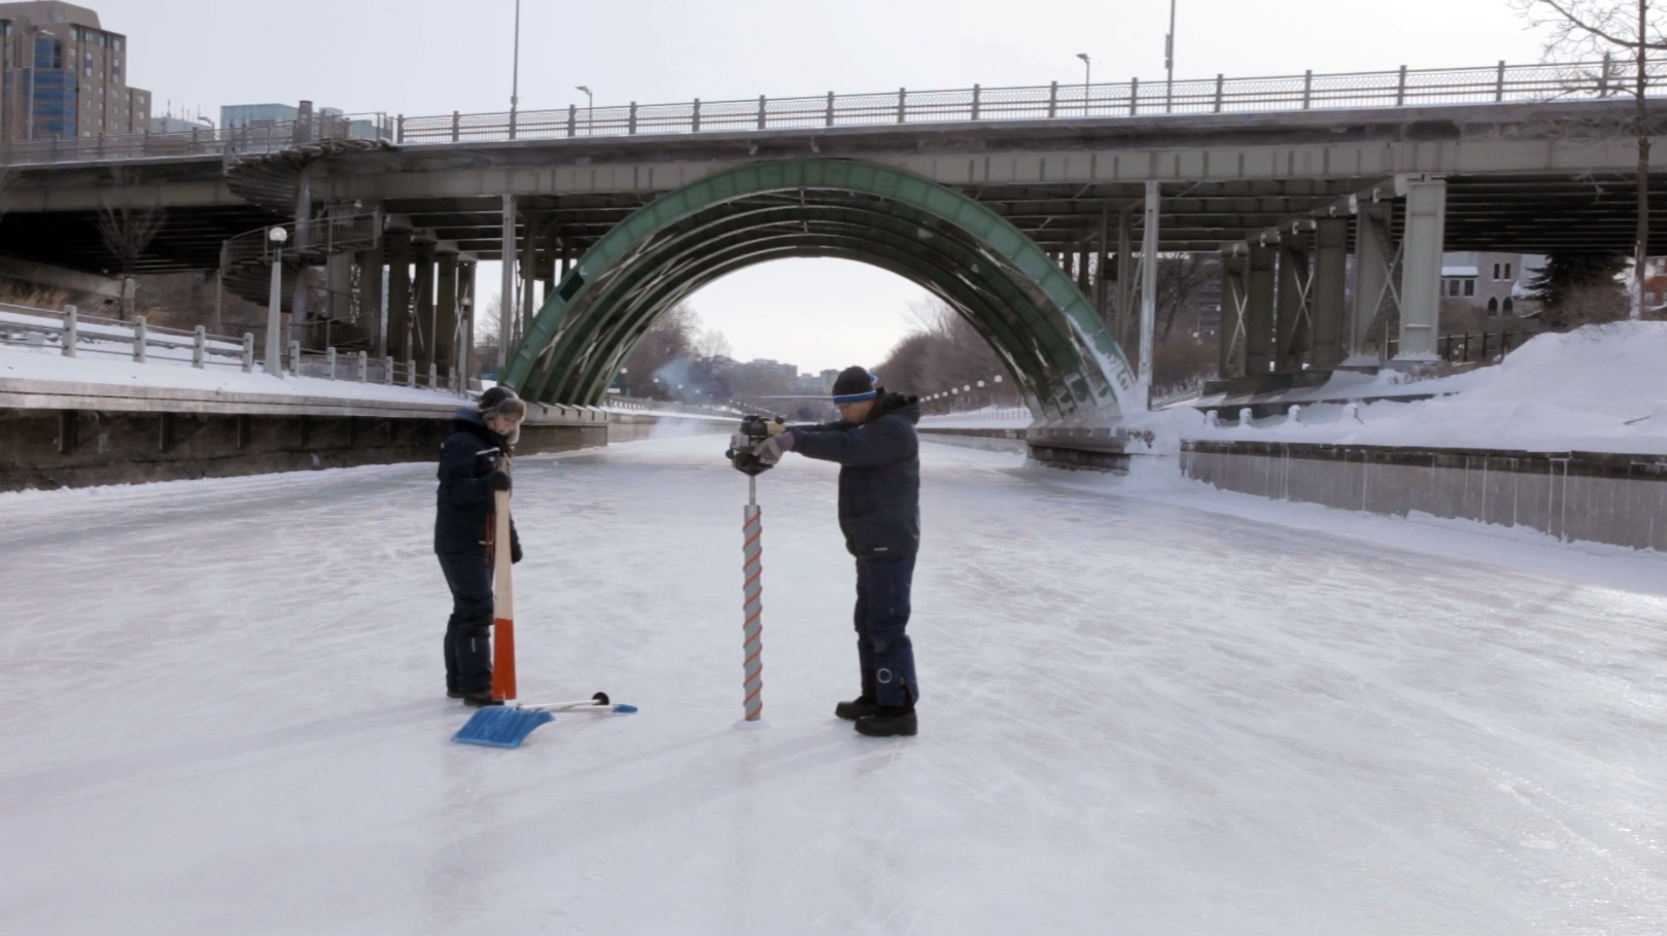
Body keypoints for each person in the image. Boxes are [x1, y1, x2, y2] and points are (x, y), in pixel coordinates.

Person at [755, 366, 922, 737]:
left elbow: (848, 446)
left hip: (890, 542)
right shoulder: (869, 424)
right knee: (867, 624)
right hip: (871, 542)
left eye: (846, 407)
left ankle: (899, 710)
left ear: (866, 401)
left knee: (886, 626)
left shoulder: (893, 430)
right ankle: (875, 696)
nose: (841, 414)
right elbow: (831, 433)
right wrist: (785, 433)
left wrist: (792, 443)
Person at [435, 386, 527, 707]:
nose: (508, 425)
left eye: (513, 420)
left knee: (466, 610)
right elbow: (454, 491)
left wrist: (509, 540)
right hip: (460, 541)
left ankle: (458, 682)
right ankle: (478, 687)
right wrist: (485, 484)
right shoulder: (462, 443)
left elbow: (498, 502)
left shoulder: (492, 447)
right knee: (476, 610)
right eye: (504, 417)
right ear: (490, 414)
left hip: (484, 540)